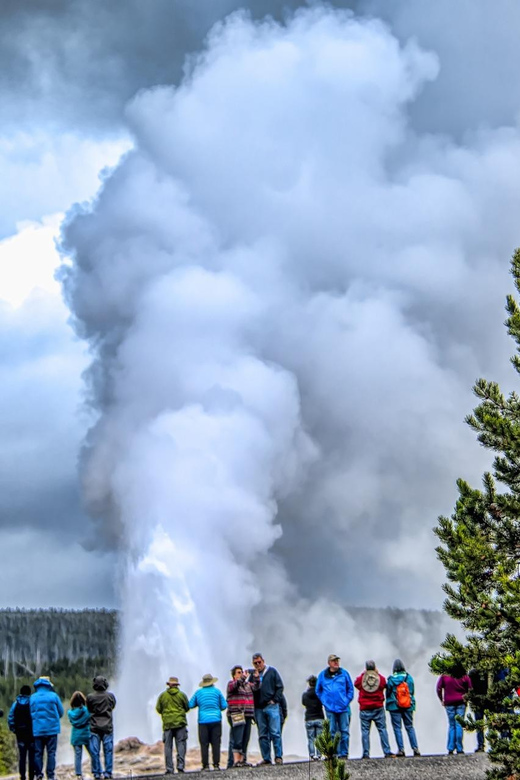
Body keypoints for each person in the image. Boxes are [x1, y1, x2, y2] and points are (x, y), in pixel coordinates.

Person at [315, 653, 354, 759]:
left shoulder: (344, 673)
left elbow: (350, 689)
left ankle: (344, 753)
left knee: (344, 731)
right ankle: (333, 753)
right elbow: (318, 690)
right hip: (330, 708)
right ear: (329, 663)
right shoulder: (322, 675)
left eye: (337, 660)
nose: (336, 662)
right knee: (331, 731)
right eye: (334, 661)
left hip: (343, 707)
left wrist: (346, 701)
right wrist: (325, 702)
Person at [354, 660, 394, 759]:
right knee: (382, 729)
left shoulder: (362, 679)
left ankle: (366, 753)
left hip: (365, 709)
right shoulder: (380, 678)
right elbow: (384, 684)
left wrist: (364, 673)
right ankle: (387, 751)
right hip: (378, 708)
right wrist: (377, 673)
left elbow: (356, 684)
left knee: (365, 732)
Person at [250, 653, 284, 765]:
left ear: (263, 661)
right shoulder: (252, 676)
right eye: (255, 663)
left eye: (259, 662)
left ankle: (278, 756)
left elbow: (280, 687)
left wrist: (275, 700)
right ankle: (266, 758)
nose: (258, 665)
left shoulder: (272, 671)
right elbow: (250, 690)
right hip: (259, 708)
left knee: (275, 732)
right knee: (263, 734)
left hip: (272, 706)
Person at [189, 673, 227, 770]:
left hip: (203, 721)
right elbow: (224, 705)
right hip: (216, 720)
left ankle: (205, 765)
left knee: (204, 743)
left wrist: (200, 704)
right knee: (216, 743)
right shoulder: (217, 692)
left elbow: (190, 705)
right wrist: (216, 709)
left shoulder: (198, 693)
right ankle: (216, 765)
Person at [29, 676, 64, 780]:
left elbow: (30, 713)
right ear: (48, 685)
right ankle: (51, 775)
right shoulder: (54, 696)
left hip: (37, 730)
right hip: (52, 730)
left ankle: (39, 774)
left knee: (38, 753)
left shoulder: (33, 697)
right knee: (51, 753)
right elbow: (61, 712)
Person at [386, 659, 420, 757]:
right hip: (408, 705)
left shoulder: (391, 679)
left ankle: (401, 749)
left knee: (397, 728)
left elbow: (388, 693)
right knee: (409, 727)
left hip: (394, 706)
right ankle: (415, 748)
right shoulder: (409, 678)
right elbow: (412, 691)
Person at [156, 676, 190, 775]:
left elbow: (158, 709)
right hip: (180, 723)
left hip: (168, 724)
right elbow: (187, 708)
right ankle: (180, 766)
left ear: (169, 685)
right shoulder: (182, 695)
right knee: (181, 744)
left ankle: (169, 768)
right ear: (177, 685)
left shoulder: (163, 696)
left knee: (168, 747)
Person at [226, 665, 258, 767]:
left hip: (248, 714)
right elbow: (235, 685)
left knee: (245, 738)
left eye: (241, 672)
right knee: (238, 738)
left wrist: (256, 677)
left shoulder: (247, 685)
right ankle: (236, 761)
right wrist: (243, 677)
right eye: (238, 672)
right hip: (237, 713)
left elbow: (256, 687)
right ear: (234, 675)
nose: (241, 674)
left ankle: (243, 760)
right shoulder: (231, 684)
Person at [436, 664, 472, 755]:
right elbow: (470, 688)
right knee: (459, 725)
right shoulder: (464, 676)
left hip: (449, 703)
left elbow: (438, 688)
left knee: (452, 725)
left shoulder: (445, 676)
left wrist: (442, 699)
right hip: (461, 702)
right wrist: (466, 697)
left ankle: (450, 748)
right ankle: (459, 748)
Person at [86, 676, 116, 780]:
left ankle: (97, 773)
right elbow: (113, 706)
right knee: (108, 751)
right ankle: (108, 772)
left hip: (94, 728)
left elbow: (89, 709)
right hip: (107, 727)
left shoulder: (90, 697)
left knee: (95, 752)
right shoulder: (110, 696)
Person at [8, 684, 35, 780]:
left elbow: (11, 717)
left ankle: (22, 776)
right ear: (29, 693)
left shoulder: (16, 703)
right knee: (32, 756)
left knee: (22, 756)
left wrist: (13, 729)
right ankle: (32, 776)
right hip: (31, 733)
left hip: (20, 733)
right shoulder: (32, 702)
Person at [68, 692, 91, 779]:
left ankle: (78, 774)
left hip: (76, 736)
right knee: (93, 754)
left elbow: (71, 722)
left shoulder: (70, 713)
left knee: (78, 756)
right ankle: (97, 771)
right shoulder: (86, 711)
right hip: (86, 734)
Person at [301, 675, 324, 761]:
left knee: (311, 739)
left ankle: (311, 755)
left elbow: (303, 703)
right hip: (319, 717)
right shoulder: (320, 694)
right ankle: (319, 755)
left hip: (309, 718)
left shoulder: (305, 695)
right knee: (319, 738)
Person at [468, 668, 487, 753]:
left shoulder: (472, 674)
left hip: (477, 701)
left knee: (479, 725)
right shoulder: (488, 673)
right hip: (487, 701)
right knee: (490, 723)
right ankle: (494, 743)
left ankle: (480, 745)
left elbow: (469, 688)